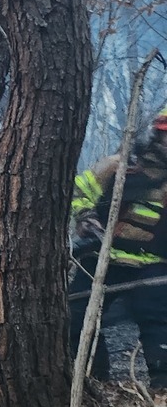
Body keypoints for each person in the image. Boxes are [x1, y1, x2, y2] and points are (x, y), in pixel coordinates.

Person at [68, 109, 167, 388]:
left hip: (154, 264)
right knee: (76, 315)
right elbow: (79, 191)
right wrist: (85, 216)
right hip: (104, 256)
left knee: (156, 318)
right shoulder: (119, 166)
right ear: (158, 135)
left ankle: (162, 386)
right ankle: (93, 383)